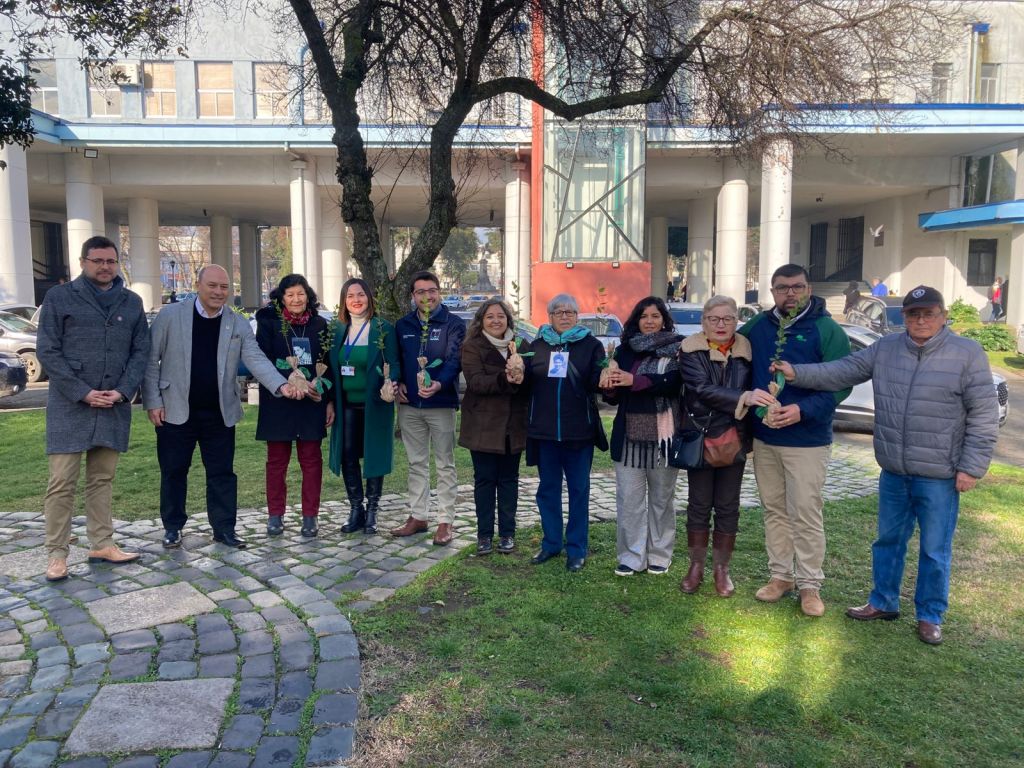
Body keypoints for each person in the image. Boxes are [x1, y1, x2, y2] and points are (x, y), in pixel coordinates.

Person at [774, 286, 998, 645]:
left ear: (943, 316)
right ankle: (883, 602)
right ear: (904, 318)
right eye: (913, 314)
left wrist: (971, 467)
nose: (920, 320)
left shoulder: (967, 353)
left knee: (934, 548)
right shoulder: (886, 348)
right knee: (888, 541)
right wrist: (796, 372)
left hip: (939, 473)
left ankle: (929, 614)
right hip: (894, 468)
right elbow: (842, 371)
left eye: (928, 313)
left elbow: (984, 415)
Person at [143, 264, 300, 550]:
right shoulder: (170, 316)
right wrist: (152, 401)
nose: (218, 292)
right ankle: (173, 527)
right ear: (198, 285)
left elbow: (255, 359)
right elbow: (151, 360)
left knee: (222, 473)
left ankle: (224, 529)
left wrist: (281, 385)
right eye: (213, 285)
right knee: (174, 471)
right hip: (175, 410)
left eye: (224, 287)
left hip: (219, 412)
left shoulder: (236, 322)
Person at [738, 264, 851, 617]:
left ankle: (810, 584)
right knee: (774, 508)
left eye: (797, 287)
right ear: (771, 292)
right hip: (766, 439)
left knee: (805, 511)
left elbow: (842, 381)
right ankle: (781, 576)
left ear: (808, 287)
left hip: (807, 439)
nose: (790, 293)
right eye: (782, 288)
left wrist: (802, 410)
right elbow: (733, 360)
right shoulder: (757, 328)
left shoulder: (826, 329)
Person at [35, 235, 149, 582]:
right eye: (97, 261)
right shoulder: (59, 297)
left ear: (117, 263)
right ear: (83, 262)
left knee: (102, 479)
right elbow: (48, 351)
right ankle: (57, 553)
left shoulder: (131, 302)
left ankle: (102, 542)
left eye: (110, 261)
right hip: (71, 405)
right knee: (62, 481)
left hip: (113, 403)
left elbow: (140, 351)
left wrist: (124, 390)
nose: (105, 267)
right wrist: (82, 392)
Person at [678, 296, 774, 595]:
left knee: (728, 506)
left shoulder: (746, 351)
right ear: (703, 321)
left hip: (736, 437)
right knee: (699, 504)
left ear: (736, 321)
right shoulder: (691, 350)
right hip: (702, 437)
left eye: (728, 319)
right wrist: (743, 398)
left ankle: (722, 570)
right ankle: (695, 567)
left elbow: (758, 382)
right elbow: (702, 389)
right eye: (714, 319)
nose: (721, 325)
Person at [602, 297, 683, 577]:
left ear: (664, 320)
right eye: (644, 316)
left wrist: (634, 381)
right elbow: (613, 398)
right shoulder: (625, 351)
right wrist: (609, 385)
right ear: (636, 320)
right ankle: (631, 556)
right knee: (629, 501)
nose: (649, 321)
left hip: (663, 438)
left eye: (655, 316)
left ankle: (659, 554)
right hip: (629, 441)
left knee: (662, 500)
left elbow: (674, 384)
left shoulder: (677, 349)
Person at [526, 293, 607, 572]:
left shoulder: (592, 345)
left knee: (579, 490)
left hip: (578, 433)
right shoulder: (535, 346)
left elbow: (599, 383)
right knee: (547, 490)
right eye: (558, 312)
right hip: (545, 433)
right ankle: (551, 543)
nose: (564, 316)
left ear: (577, 316)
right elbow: (522, 385)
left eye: (569, 312)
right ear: (549, 317)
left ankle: (576, 548)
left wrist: (609, 377)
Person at [254, 274, 332, 538]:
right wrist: (288, 378)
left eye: (300, 294)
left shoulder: (321, 325)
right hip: (279, 399)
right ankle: (275, 514)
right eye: (290, 295)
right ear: (282, 298)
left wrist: (322, 393)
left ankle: (310, 516)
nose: (296, 299)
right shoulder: (268, 322)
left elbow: (328, 364)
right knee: (276, 462)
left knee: (311, 460)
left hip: (312, 402)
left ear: (308, 296)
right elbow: (261, 358)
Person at [391, 270, 466, 545]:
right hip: (410, 406)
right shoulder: (404, 325)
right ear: (413, 296)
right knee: (416, 462)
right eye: (420, 291)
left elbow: (454, 361)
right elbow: (396, 359)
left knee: (445, 463)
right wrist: (397, 382)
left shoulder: (454, 324)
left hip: (441, 404)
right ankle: (418, 515)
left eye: (431, 290)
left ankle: (445, 521)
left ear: (439, 292)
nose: (426, 296)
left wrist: (439, 384)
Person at [328, 278, 400, 536]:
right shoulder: (337, 330)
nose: (356, 300)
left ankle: (372, 511)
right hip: (345, 405)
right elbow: (329, 367)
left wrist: (391, 383)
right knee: (348, 455)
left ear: (369, 297)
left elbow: (394, 362)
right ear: (343, 301)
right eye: (350, 296)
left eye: (361, 294)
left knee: (374, 454)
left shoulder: (382, 329)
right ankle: (356, 508)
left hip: (375, 404)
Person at [458, 298, 529, 555]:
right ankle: (484, 535)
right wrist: (506, 378)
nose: (496, 320)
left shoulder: (520, 345)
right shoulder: (472, 346)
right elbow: (476, 382)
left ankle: (507, 533)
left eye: (501, 316)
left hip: (513, 425)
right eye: (490, 317)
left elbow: (533, 377)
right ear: (482, 321)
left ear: (508, 320)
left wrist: (523, 376)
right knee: (485, 481)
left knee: (509, 480)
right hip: (483, 426)